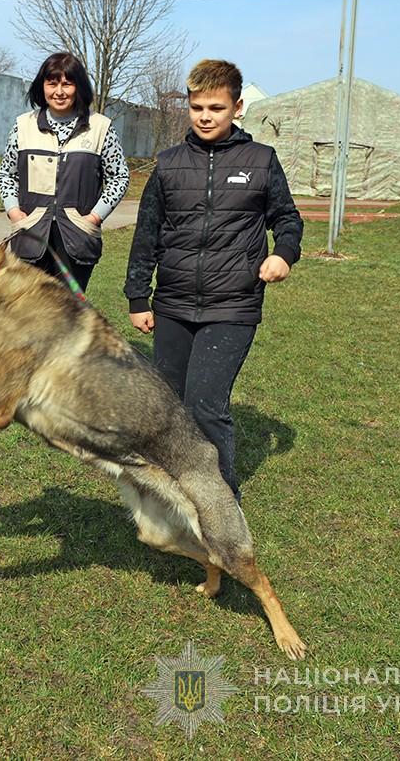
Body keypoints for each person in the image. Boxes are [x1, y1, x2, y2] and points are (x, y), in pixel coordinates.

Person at [124, 59, 304, 501]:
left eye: (217, 107)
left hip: (233, 305)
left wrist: (283, 254)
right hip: (173, 304)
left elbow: (288, 219)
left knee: (205, 404)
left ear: (237, 107)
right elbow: (147, 234)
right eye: (198, 106)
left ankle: (220, 502)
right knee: (168, 406)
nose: (206, 116)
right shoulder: (168, 165)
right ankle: (171, 493)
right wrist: (137, 297)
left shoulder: (261, 160)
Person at [0, 51, 129, 293]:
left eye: (67, 83)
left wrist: (94, 217)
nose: (59, 91)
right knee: (27, 314)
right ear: (42, 86)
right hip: (30, 235)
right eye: (52, 83)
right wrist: (15, 213)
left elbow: (119, 177)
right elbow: (7, 174)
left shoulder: (101, 127)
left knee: (66, 316)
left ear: (79, 87)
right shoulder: (23, 125)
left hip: (77, 239)